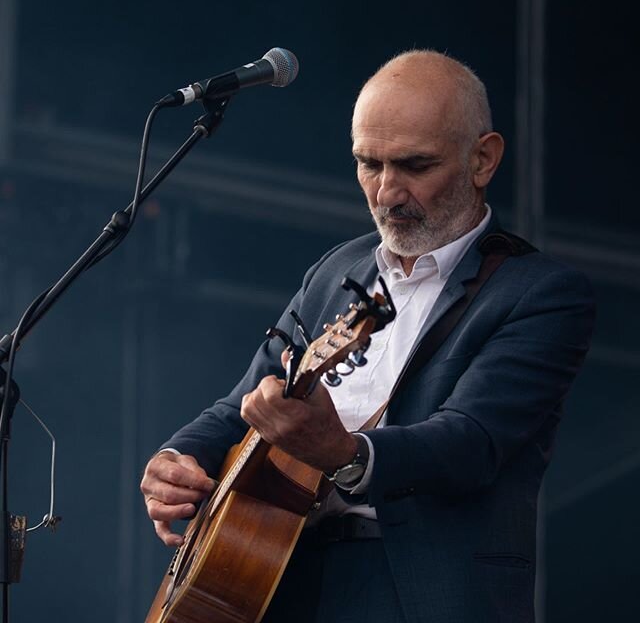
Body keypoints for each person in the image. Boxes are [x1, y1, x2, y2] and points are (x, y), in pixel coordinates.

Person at [140, 50, 595, 622]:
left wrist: (348, 453)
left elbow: (471, 443)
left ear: (483, 159)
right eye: (369, 164)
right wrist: (178, 456)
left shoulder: (540, 293)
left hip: (419, 591)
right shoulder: (337, 269)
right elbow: (245, 404)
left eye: (414, 165)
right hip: (279, 574)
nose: (386, 193)